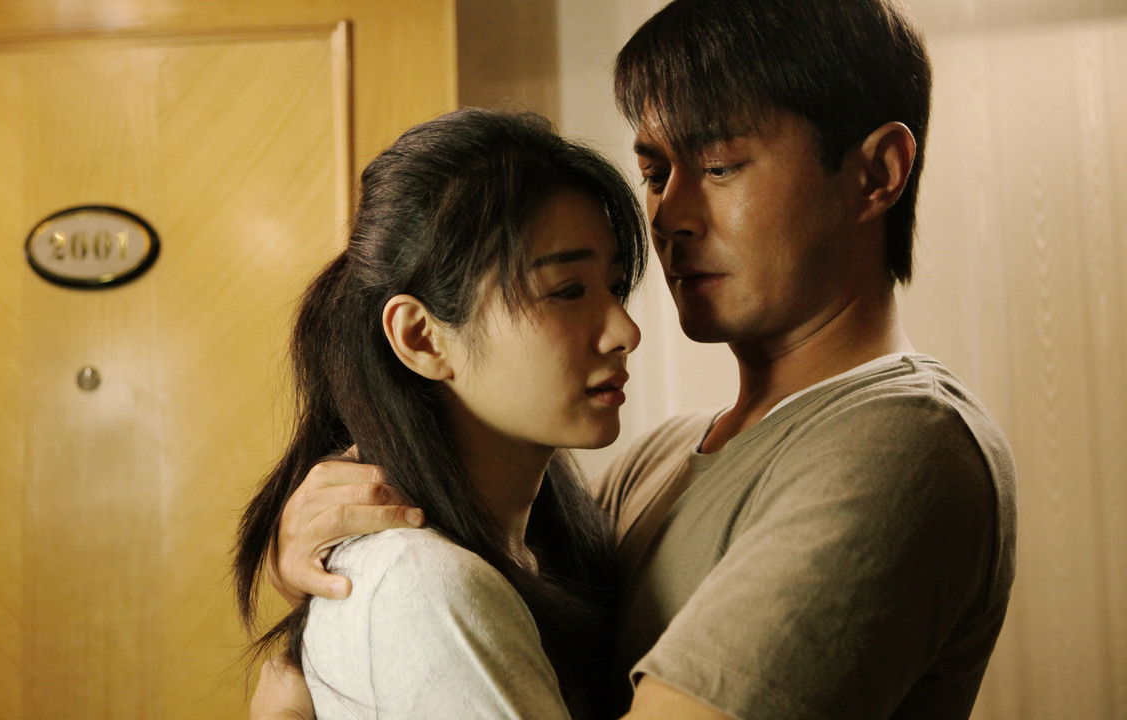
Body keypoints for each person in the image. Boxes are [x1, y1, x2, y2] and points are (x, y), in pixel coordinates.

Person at [260, 0, 1017, 718]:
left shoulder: (903, 444)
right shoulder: (653, 463)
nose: (671, 217)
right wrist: (326, 583)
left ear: (877, 173)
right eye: (655, 174)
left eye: (719, 166)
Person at [233, 108, 649, 719]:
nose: (625, 331)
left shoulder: (552, 539)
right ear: (422, 337)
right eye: (567, 291)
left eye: (614, 286)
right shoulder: (423, 582)